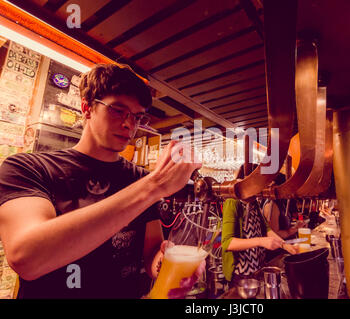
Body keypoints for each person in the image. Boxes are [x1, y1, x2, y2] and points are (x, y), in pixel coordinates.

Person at [0, 64, 202, 298]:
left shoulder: (138, 178)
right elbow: (27, 259)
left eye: (137, 117)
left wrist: (170, 264)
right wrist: (154, 186)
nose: (129, 125)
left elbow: (151, 256)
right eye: (117, 110)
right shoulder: (27, 168)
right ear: (87, 108)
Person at [221, 164, 295, 284]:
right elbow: (227, 243)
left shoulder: (253, 201)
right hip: (241, 272)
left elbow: (267, 230)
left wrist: (285, 246)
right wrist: (261, 241)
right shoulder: (232, 202)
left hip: (257, 267)